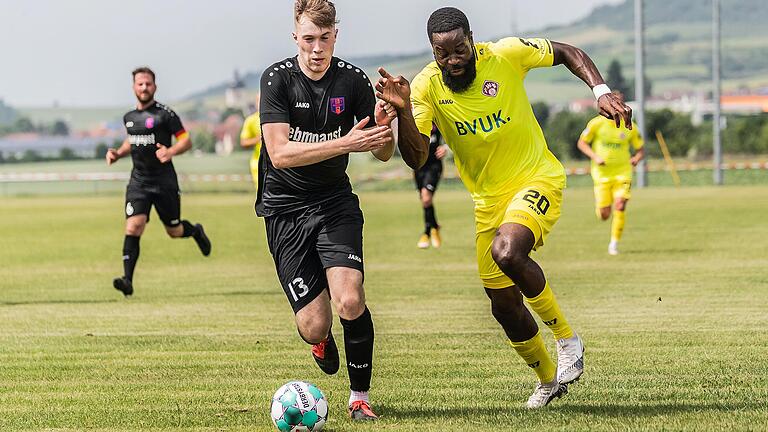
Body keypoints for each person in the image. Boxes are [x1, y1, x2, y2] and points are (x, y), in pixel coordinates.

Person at [375, 7, 633, 408]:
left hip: (537, 177)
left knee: (508, 251)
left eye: (460, 49)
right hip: (487, 201)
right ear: (433, 52)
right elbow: (416, 156)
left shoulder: (507, 54)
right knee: (503, 305)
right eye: (444, 54)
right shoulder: (424, 87)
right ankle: (548, 380)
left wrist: (601, 91)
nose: (454, 60)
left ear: (472, 40)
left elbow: (568, 51)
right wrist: (404, 111)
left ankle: (568, 340)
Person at [257, 0, 396, 420]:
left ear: (336, 34)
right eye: (308, 39)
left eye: (324, 38)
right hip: (285, 212)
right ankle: (319, 341)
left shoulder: (352, 80)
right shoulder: (277, 80)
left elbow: (385, 152)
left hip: (335, 204)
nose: (317, 49)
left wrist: (384, 122)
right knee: (314, 325)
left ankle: (359, 398)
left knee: (350, 300)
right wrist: (346, 143)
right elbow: (279, 154)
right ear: (295, 37)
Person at [106, 67, 211, 297]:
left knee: (174, 230)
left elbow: (186, 141)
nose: (144, 88)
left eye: (148, 84)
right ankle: (127, 280)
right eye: (140, 84)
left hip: (164, 182)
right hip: (139, 183)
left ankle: (196, 232)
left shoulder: (166, 114)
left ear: (155, 86)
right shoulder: (129, 118)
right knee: (134, 226)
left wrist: (170, 151)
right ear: (134, 87)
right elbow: (131, 142)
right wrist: (117, 153)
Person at [577, 91, 645, 255]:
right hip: (602, 174)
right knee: (604, 214)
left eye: (620, 103)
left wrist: (636, 158)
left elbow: (640, 149)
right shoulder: (596, 124)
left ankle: (614, 243)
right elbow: (582, 143)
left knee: (620, 204)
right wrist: (595, 157)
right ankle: (602, 210)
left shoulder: (630, 126)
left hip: (623, 172)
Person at [415, 124, 449, 249]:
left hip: (434, 165)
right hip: (418, 165)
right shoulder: (411, 117)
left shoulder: (436, 116)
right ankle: (434, 226)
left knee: (426, 198)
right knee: (425, 201)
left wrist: (446, 147)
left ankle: (427, 232)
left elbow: (452, 131)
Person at [240, 103, 262, 190]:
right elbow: (243, 142)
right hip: (258, 164)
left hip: (280, 162)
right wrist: (258, 139)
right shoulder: (251, 120)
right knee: (263, 195)